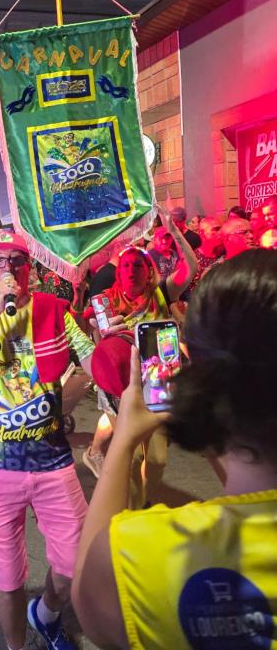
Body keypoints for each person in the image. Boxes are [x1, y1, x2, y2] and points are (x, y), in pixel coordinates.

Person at [71, 250, 277, 650]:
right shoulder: (108, 298)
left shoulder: (145, 554)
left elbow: (86, 593)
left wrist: (125, 438)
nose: (131, 270)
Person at [0, 230, 122, 650]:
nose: (9, 269)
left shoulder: (54, 311)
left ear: (31, 269)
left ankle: (45, 615)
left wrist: (115, 356)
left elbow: (92, 363)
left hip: (52, 462)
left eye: (17, 261)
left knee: (75, 566)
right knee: (6, 582)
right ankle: (15, 646)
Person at [82, 207, 197, 486]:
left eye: (137, 265)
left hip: (157, 383)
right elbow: (96, 345)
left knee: (156, 459)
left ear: (148, 272)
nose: (131, 270)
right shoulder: (104, 302)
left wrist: (174, 231)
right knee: (130, 457)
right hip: (122, 387)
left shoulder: (160, 292)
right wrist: (103, 331)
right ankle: (129, 507)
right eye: (125, 266)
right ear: (117, 272)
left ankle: (146, 496)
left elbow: (190, 269)